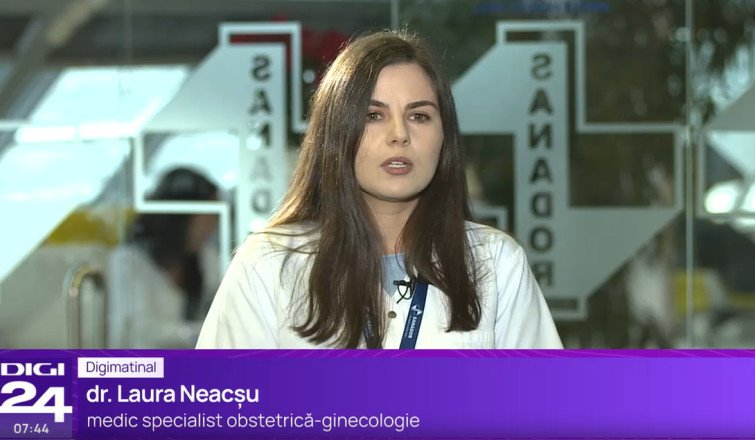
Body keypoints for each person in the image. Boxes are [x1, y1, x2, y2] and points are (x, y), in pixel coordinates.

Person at [197, 30, 561, 349]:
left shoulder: (495, 262)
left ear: (444, 138)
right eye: (373, 116)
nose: (399, 135)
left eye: (419, 116)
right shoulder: (268, 264)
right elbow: (221, 399)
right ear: (336, 134)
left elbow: (546, 400)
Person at [108, 167, 220, 348]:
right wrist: (200, 332)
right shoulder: (129, 261)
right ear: (183, 216)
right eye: (209, 215)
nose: (213, 225)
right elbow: (139, 334)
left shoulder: (207, 258)